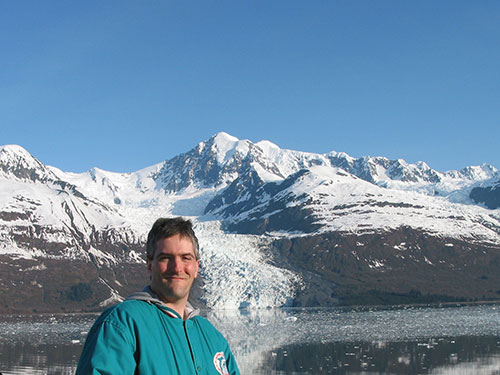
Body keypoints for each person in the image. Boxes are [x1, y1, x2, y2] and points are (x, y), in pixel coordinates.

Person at [76, 217, 240, 375]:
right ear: (149, 265)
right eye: (166, 258)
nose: (177, 267)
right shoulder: (122, 324)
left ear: (196, 267)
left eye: (186, 258)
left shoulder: (211, 336)